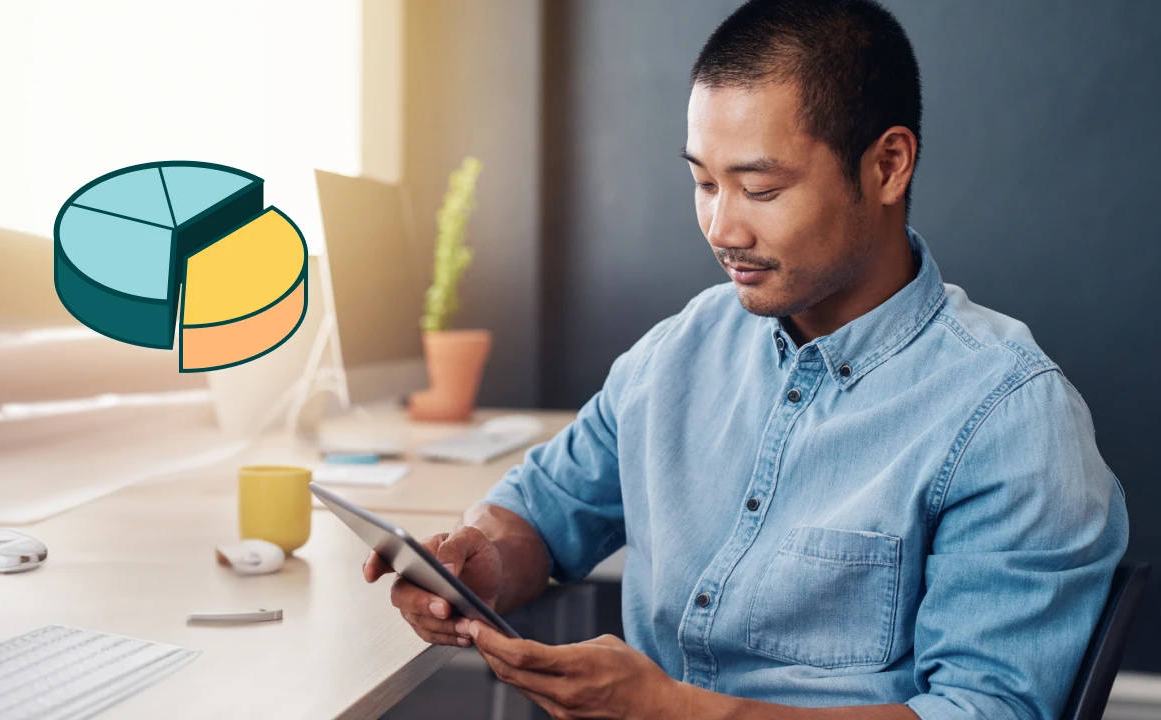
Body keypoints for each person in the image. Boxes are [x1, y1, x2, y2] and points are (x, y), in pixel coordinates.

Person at [364, 0, 1129, 717]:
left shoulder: (1010, 415)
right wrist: (481, 564)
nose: (722, 229)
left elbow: (982, 711)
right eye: (704, 182)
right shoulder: (678, 352)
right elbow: (538, 511)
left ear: (889, 166)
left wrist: (679, 711)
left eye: (760, 189)